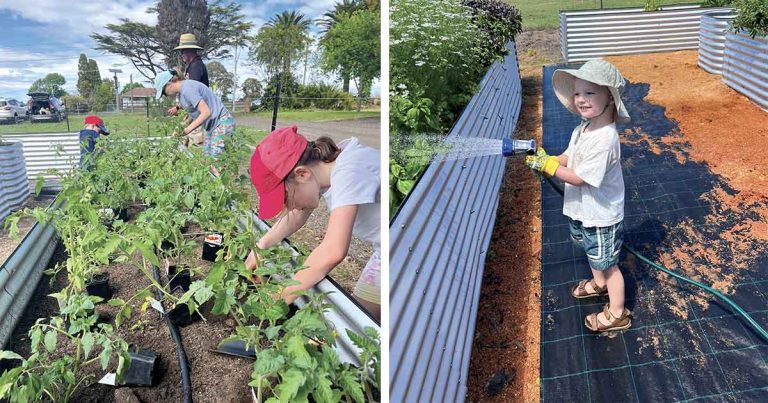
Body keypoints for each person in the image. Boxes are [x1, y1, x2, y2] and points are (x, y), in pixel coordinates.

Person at [525, 59, 631, 332]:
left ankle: (618, 312)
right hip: (582, 210)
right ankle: (599, 284)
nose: (581, 100)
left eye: (590, 93)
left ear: (610, 96)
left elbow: (581, 178)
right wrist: (549, 159)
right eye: (577, 93)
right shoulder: (583, 128)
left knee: (609, 265)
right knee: (592, 253)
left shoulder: (605, 139)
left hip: (600, 215)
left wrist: (550, 167)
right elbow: (569, 158)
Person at [246, 125, 381, 321]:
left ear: (302, 174)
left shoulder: (348, 172)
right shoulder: (326, 170)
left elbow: (332, 251)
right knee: (359, 318)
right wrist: (262, 245)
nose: (289, 206)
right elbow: (297, 215)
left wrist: (280, 297)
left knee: (358, 322)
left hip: (409, 248)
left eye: (285, 198)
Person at [154, 69, 234, 157]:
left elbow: (206, 112)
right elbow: (192, 115)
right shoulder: (182, 94)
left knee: (215, 160)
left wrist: (186, 131)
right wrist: (179, 130)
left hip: (222, 122)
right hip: (212, 127)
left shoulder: (187, 89)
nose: (166, 96)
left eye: (164, 93)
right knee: (207, 158)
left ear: (169, 84)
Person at [167, 33, 210, 145]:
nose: (181, 55)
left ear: (190, 51)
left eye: (183, 51)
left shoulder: (196, 67)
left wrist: (179, 108)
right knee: (182, 139)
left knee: (196, 142)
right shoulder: (192, 66)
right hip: (195, 111)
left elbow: (192, 95)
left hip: (199, 112)